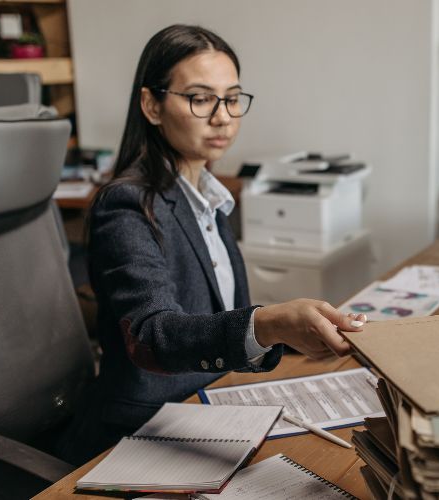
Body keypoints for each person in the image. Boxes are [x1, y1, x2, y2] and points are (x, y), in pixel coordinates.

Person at [58, 24, 366, 464]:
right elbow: (153, 335)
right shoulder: (126, 205)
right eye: (200, 98)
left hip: (211, 405)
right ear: (152, 105)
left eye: (233, 98)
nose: (223, 116)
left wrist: (298, 331)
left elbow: (215, 317)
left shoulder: (206, 194)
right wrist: (270, 323)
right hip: (142, 427)